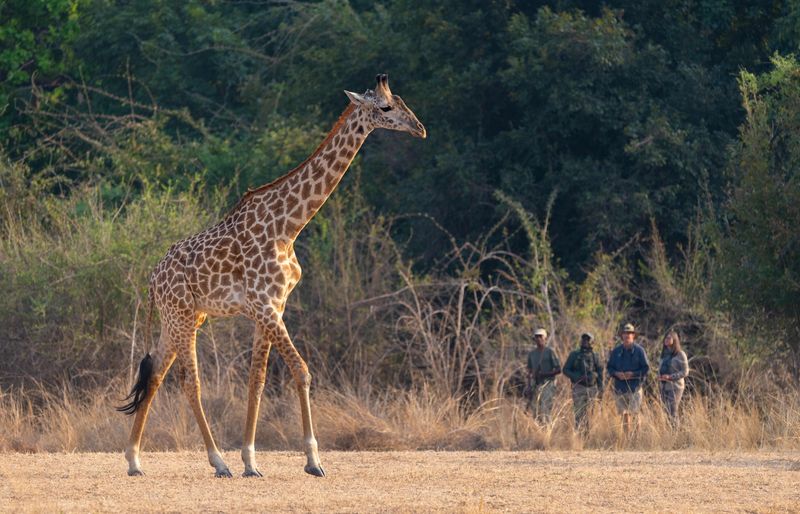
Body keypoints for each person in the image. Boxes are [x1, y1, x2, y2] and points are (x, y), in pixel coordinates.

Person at [606, 323, 650, 436]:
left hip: (635, 387)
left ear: (633, 335)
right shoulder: (616, 351)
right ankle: (627, 438)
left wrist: (633, 374)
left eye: (630, 333)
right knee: (624, 415)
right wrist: (616, 374)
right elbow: (609, 368)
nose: (627, 336)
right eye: (625, 333)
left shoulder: (640, 351)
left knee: (635, 413)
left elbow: (646, 368)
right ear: (622, 336)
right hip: (620, 388)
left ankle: (637, 438)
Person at [563, 332, 604, 430]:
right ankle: (579, 435)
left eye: (588, 339)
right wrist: (577, 377)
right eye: (584, 339)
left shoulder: (595, 356)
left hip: (592, 388)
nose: (585, 341)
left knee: (590, 413)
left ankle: (588, 436)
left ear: (592, 342)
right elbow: (565, 370)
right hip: (578, 387)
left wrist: (601, 389)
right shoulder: (574, 354)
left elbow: (600, 372)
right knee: (578, 412)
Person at [526, 328, 561, 424]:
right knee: (535, 408)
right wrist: (529, 386)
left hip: (548, 383)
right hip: (536, 384)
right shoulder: (532, 354)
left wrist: (545, 374)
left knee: (545, 408)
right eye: (536, 337)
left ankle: (547, 431)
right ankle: (538, 430)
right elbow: (529, 371)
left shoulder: (550, 351)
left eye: (540, 336)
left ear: (545, 338)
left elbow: (558, 369)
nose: (538, 339)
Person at [658, 330, 689, 426]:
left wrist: (671, 377)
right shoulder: (663, 355)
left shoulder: (680, 354)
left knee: (673, 411)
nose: (666, 340)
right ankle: (669, 434)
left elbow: (685, 372)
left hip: (676, 387)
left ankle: (675, 435)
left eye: (669, 338)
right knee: (666, 411)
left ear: (674, 340)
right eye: (665, 338)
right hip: (664, 386)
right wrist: (660, 377)